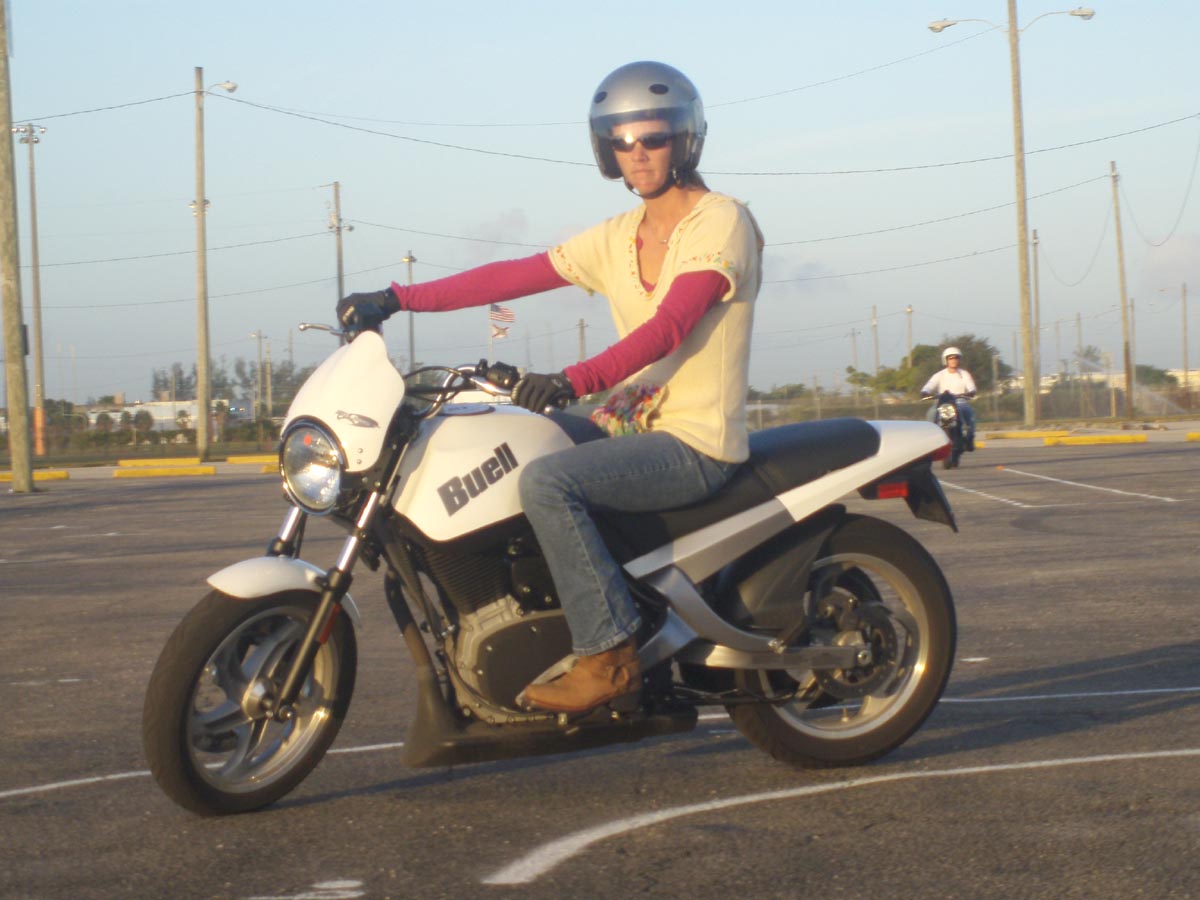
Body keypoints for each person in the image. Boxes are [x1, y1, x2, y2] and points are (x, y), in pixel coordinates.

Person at [336, 61, 764, 715]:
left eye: (653, 137)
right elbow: (512, 276)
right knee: (514, 448)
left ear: (684, 139)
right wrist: (397, 297)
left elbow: (671, 327)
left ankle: (609, 655)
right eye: (621, 140)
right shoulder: (619, 236)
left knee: (548, 483)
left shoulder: (720, 221)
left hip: (696, 443)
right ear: (605, 149)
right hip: (629, 427)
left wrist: (571, 381)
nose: (638, 152)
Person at [921, 346, 977, 449]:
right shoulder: (939, 375)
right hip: (942, 404)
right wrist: (925, 392)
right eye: (951, 358)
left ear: (959, 359)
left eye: (956, 358)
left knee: (970, 414)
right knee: (931, 413)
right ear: (945, 360)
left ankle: (970, 438)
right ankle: (931, 439)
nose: (954, 360)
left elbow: (971, 386)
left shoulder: (964, 374)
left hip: (960, 403)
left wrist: (971, 392)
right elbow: (930, 385)